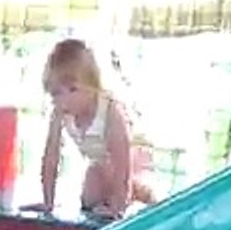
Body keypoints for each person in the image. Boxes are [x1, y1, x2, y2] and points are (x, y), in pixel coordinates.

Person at [32, 38, 156, 219]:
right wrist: (47, 202)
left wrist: (117, 207)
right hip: (103, 165)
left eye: (73, 89)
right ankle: (115, 197)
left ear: (93, 87)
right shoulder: (60, 112)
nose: (65, 99)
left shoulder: (110, 112)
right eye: (56, 92)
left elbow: (123, 164)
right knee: (90, 196)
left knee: (106, 178)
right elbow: (51, 158)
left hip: (134, 160)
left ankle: (142, 194)